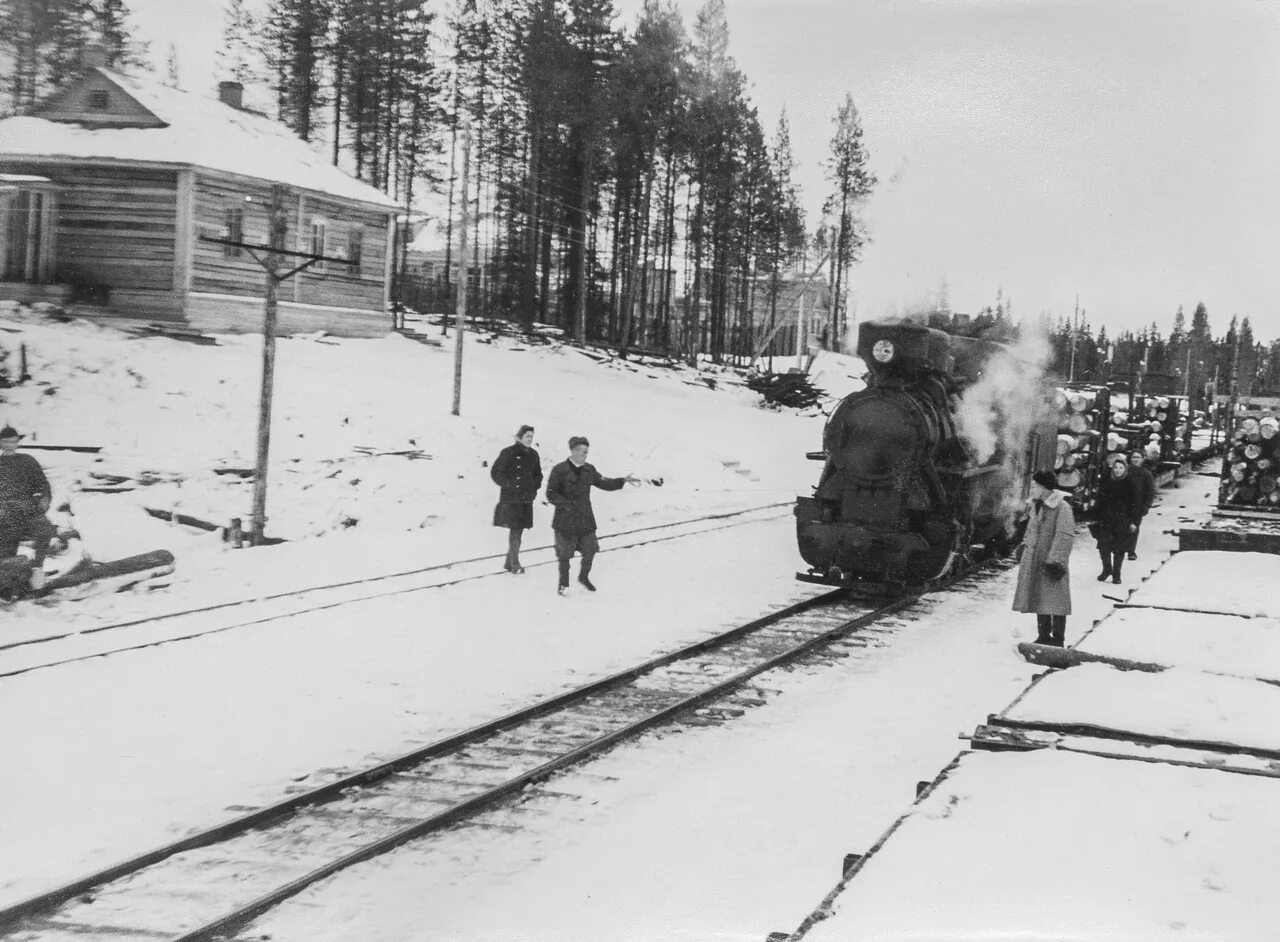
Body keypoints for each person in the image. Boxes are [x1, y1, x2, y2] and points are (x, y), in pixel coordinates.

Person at [545, 436, 638, 595]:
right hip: (565, 520)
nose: (585, 455)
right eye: (582, 452)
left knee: (591, 549)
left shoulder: (589, 469)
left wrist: (622, 480)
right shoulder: (559, 470)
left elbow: (604, 482)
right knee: (565, 555)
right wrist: (565, 504)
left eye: (586, 452)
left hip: (585, 519)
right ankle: (564, 583)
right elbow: (551, 493)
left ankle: (583, 577)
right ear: (573, 450)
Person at [1012, 469, 1075, 647]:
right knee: (1039, 597)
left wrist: (1055, 562)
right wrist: (1024, 545)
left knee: (1056, 600)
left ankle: (1058, 639)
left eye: (1034, 485)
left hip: (1051, 561)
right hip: (1036, 558)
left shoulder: (1062, 507)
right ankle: (1044, 636)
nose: (1031, 488)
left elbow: (1064, 535)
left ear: (1044, 487)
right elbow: (1031, 529)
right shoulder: (1036, 504)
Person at [0, 425, 56, 590]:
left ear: (18, 442)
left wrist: (44, 500)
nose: (10, 444)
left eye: (13, 441)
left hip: (28, 511)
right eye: (6, 441)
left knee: (45, 529)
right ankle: (9, 581)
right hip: (4, 514)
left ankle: (37, 568)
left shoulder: (27, 461)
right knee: (7, 550)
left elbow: (43, 486)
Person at [490, 424, 543, 574]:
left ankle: (510, 561)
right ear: (519, 437)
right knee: (516, 532)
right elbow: (496, 472)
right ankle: (514, 563)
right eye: (527, 436)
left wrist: (534, 487)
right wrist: (508, 484)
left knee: (518, 531)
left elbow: (538, 475)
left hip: (526, 499)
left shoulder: (534, 455)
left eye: (531, 437)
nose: (530, 440)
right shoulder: (508, 453)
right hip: (511, 499)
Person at [1093, 459, 1140, 584]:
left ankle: (1116, 574)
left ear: (1125, 469)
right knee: (1104, 546)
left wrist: (1134, 521)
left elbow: (1135, 505)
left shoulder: (1130, 484)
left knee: (1120, 548)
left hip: (1122, 520)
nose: (1118, 470)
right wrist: (1093, 516)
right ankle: (1107, 569)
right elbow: (1099, 500)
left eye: (1121, 468)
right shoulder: (1105, 482)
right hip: (1106, 519)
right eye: (1116, 467)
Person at [1126, 449, 1156, 560]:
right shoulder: (1125, 471)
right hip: (1124, 505)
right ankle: (1120, 549)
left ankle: (1131, 551)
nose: (1136, 460)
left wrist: (1146, 506)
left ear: (1143, 459)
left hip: (1137, 507)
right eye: (1134, 457)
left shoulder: (1146, 474)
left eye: (1138, 457)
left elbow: (1150, 492)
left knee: (1134, 528)